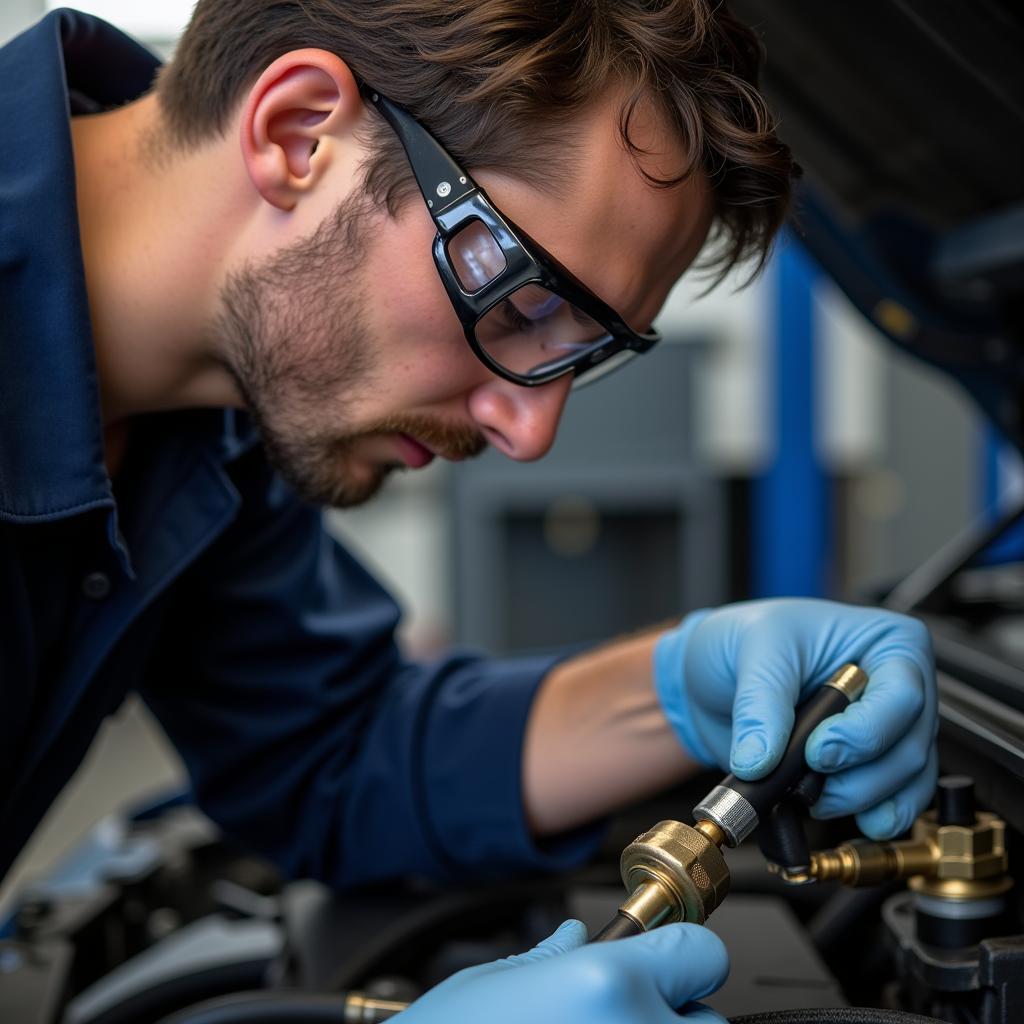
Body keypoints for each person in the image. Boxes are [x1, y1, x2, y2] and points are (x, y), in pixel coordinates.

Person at [0, 3, 937, 1021]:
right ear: (298, 132)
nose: (528, 432)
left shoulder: (213, 414)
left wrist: (677, 688)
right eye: (527, 304)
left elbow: (334, 754)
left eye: (584, 350)